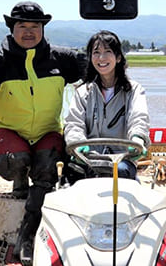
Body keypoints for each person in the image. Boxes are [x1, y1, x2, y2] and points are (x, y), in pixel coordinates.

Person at [0, 1, 84, 263]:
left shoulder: (60, 59)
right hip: (10, 132)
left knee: (46, 169)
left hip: (47, 131)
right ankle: (19, 180)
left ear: (43, 29)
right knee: (15, 160)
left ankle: (27, 236)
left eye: (35, 26)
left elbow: (96, 68)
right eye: (22, 26)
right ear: (12, 28)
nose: (29, 31)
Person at [64, 30, 150, 181]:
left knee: (120, 173)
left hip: (122, 158)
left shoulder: (133, 90)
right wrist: (77, 143)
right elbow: (74, 123)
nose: (101, 58)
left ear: (118, 57)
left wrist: (137, 139)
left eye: (107, 52)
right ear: (90, 58)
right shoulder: (83, 91)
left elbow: (138, 117)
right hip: (89, 157)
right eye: (96, 52)